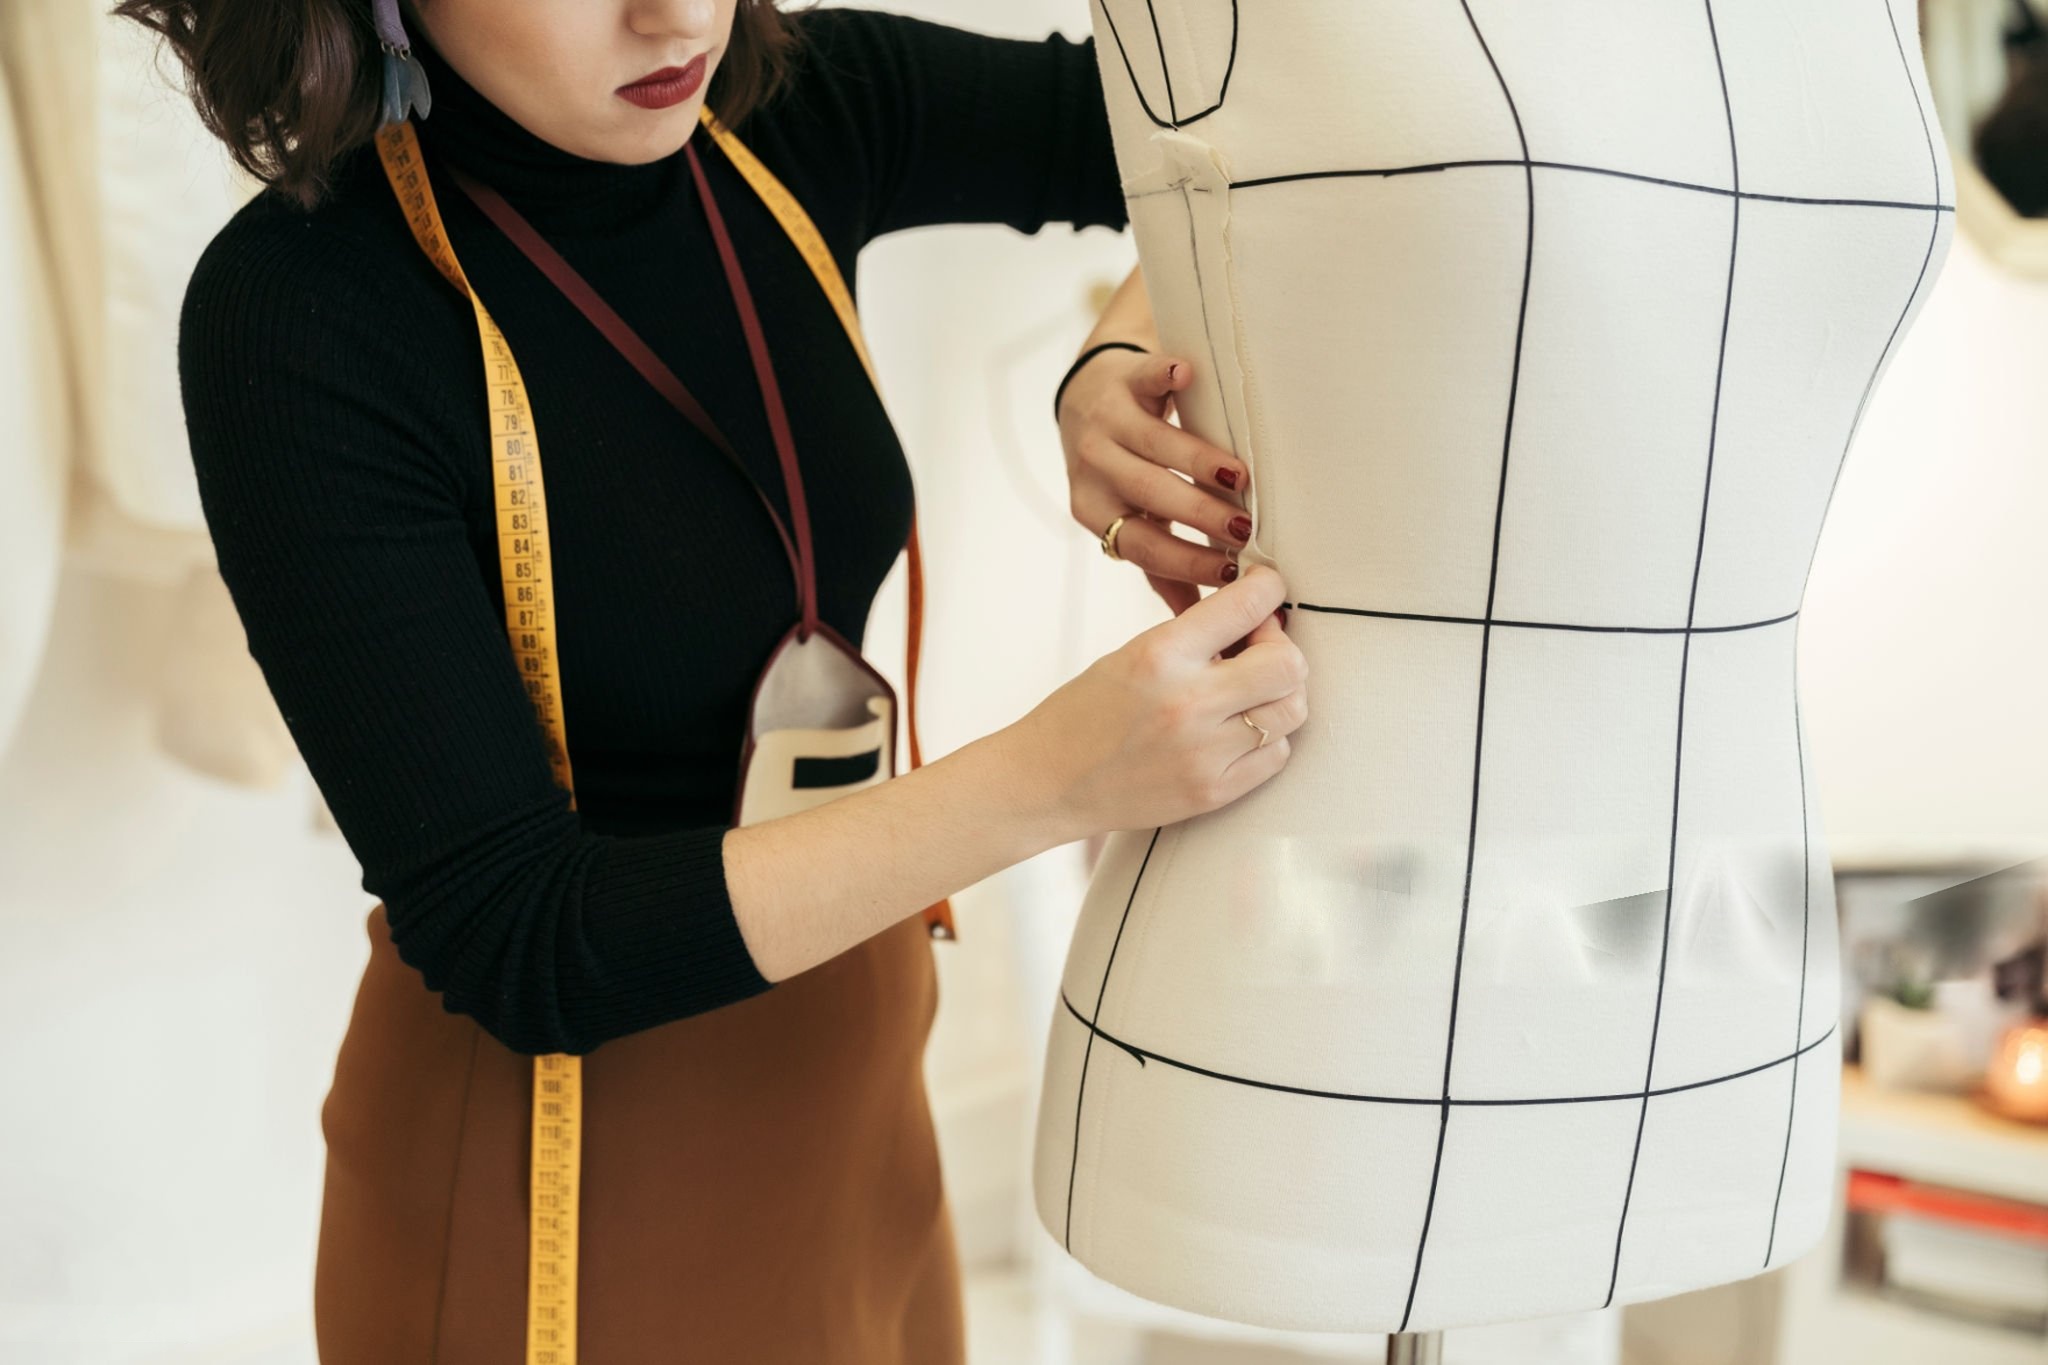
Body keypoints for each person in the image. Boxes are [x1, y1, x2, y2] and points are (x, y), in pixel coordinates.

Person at [120, 0, 1308, 1357]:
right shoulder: (308, 311)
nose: (676, 13)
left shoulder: (803, 107)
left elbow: (1246, 130)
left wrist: (1110, 355)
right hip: (564, 1183)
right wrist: (1054, 777)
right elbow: (520, 935)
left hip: (861, 1105)